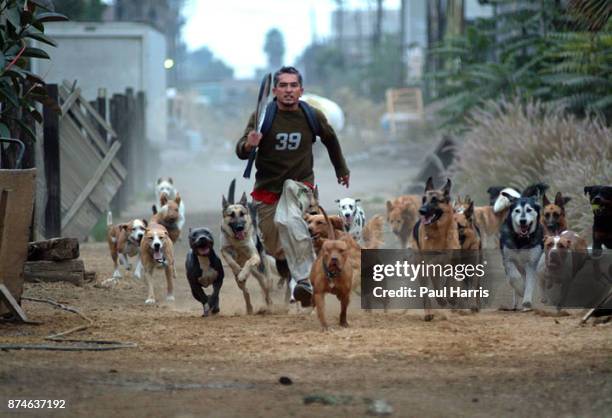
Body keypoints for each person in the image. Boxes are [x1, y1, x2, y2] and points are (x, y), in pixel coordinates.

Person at [235, 66, 350, 306]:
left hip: (299, 185)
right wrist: (249, 144)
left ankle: (305, 281)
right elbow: (240, 151)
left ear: (301, 90)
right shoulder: (262, 117)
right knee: (276, 247)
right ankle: (299, 279)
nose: (288, 90)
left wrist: (341, 169)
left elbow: (330, 139)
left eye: (293, 86)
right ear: (275, 90)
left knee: (288, 218)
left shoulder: (312, 115)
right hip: (267, 189)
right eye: (283, 86)